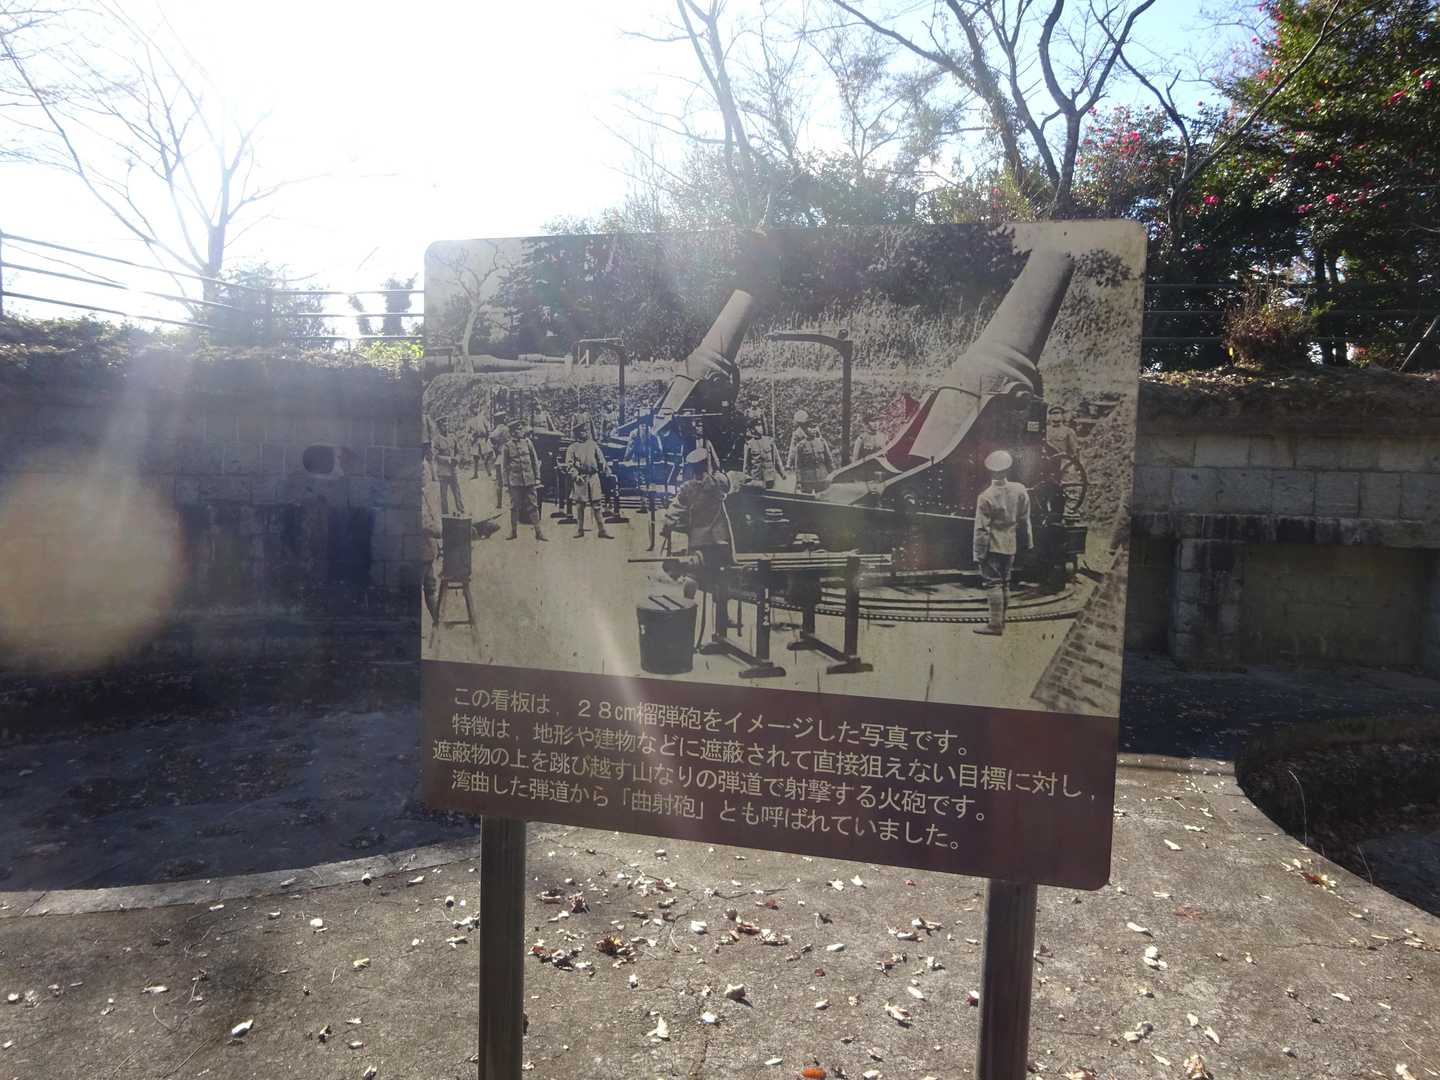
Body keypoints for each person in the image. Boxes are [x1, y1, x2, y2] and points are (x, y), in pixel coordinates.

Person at [972, 449, 1032, 637]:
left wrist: (978, 554)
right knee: (1006, 583)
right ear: (1008, 469)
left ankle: (995, 625)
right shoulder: (1020, 489)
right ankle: (1002, 622)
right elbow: (1025, 520)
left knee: (993, 584)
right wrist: (1028, 543)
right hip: (1010, 544)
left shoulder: (986, 496)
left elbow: (982, 529)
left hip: (992, 547)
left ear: (990, 471)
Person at [673, 446, 732, 570]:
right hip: (720, 538)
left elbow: (676, 510)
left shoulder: (687, 487)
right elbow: (727, 484)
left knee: (696, 570)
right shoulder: (718, 482)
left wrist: (666, 527)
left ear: (692, 468)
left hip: (698, 541)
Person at [563, 420, 614, 539]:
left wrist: (606, 469)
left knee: (597, 504)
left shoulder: (593, 444)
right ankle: (579, 530)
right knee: (580, 506)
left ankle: (602, 530)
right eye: (582, 431)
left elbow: (601, 459)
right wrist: (576, 476)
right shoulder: (572, 448)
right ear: (577, 433)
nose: (585, 433)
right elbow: (569, 465)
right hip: (581, 479)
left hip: (593, 477)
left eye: (586, 431)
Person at [501, 419, 548, 541]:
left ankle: (538, 532)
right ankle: (513, 532)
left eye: (521, 428)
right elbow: (504, 466)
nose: (522, 431)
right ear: (513, 432)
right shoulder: (507, 446)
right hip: (515, 481)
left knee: (533, 506)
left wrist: (537, 477)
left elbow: (534, 460)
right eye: (519, 429)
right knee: (514, 507)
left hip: (529, 480)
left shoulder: (528, 443)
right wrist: (505, 483)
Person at [787, 409, 834, 494]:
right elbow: (793, 450)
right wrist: (789, 464)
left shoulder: (816, 432)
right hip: (806, 471)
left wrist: (831, 471)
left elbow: (823, 448)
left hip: (820, 472)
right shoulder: (797, 434)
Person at [433, 419, 465, 516]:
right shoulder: (436, 439)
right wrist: (448, 459)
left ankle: (461, 511)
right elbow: (435, 456)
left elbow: (459, 451)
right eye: (443, 426)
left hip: (453, 469)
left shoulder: (452, 437)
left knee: (457, 491)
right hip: (443, 471)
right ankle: (445, 515)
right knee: (444, 494)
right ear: (439, 427)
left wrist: (457, 459)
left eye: (446, 425)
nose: (446, 427)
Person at [421, 482, 443, 622]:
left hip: (427, 550)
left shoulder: (422, 493)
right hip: (418, 551)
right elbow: (424, 524)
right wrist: (440, 531)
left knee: (430, 588)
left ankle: (438, 621)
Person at [742, 416, 784, 488]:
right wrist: (747, 477)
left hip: (770, 478)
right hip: (757, 478)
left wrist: (782, 473)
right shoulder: (749, 444)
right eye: (757, 425)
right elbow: (746, 464)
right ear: (752, 429)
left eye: (761, 425)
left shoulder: (769, 441)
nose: (760, 428)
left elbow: (776, 459)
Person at [488, 416, 510, 509]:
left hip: (500, 456)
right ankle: (509, 502)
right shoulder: (504, 428)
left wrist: (496, 447)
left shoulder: (498, 429)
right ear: (502, 419)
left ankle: (499, 503)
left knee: (499, 481)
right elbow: (492, 437)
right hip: (507, 456)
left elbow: (491, 438)